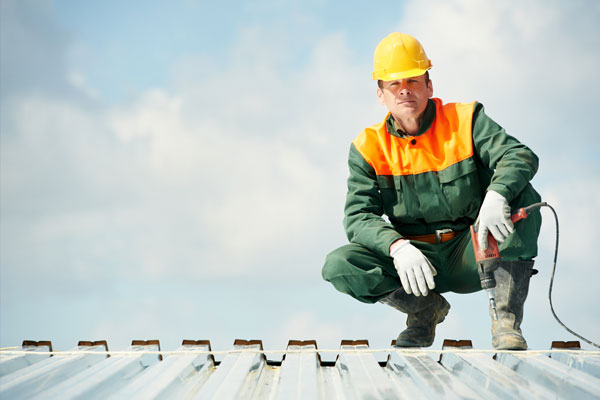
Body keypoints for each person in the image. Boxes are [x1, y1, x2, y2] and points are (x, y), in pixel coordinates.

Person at [322, 32, 542, 350]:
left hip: (475, 253)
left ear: (429, 86)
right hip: (416, 266)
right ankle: (425, 312)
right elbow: (358, 218)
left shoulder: (466, 121)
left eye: (413, 80)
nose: (405, 90)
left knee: (523, 196)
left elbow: (519, 156)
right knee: (339, 265)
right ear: (380, 95)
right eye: (393, 84)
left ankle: (506, 320)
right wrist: (397, 247)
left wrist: (498, 194)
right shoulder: (368, 147)